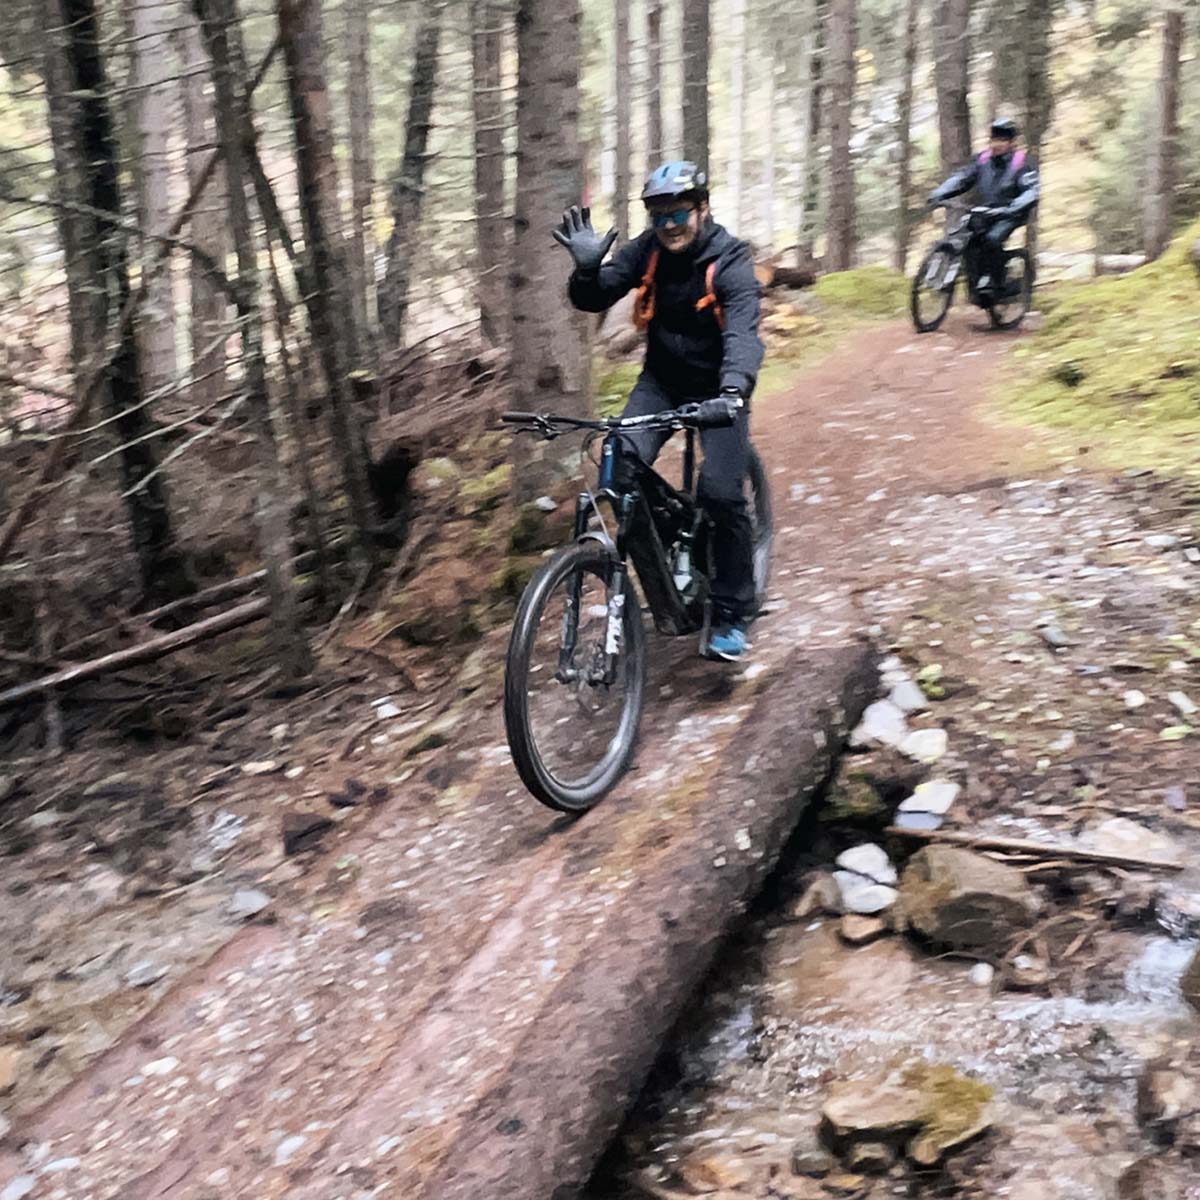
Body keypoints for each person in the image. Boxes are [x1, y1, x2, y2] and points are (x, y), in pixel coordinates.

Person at [553, 160, 764, 662]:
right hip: (663, 381)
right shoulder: (646, 251)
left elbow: (743, 334)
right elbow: (595, 296)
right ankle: (675, 552)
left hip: (721, 387)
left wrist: (733, 391)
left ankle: (732, 612)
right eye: (660, 216)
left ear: (702, 209)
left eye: (679, 215)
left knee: (720, 491)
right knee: (618, 460)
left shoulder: (730, 260)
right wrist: (585, 272)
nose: (669, 226)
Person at [928, 117, 1041, 296]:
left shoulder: (1022, 162)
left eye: (1002, 140)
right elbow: (962, 178)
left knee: (992, 240)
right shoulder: (982, 160)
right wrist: (940, 193)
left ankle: (1000, 284)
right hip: (987, 211)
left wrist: (1014, 207)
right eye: (994, 140)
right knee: (969, 240)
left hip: (1011, 213)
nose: (997, 144)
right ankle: (978, 283)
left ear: (1012, 142)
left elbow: (1031, 191)